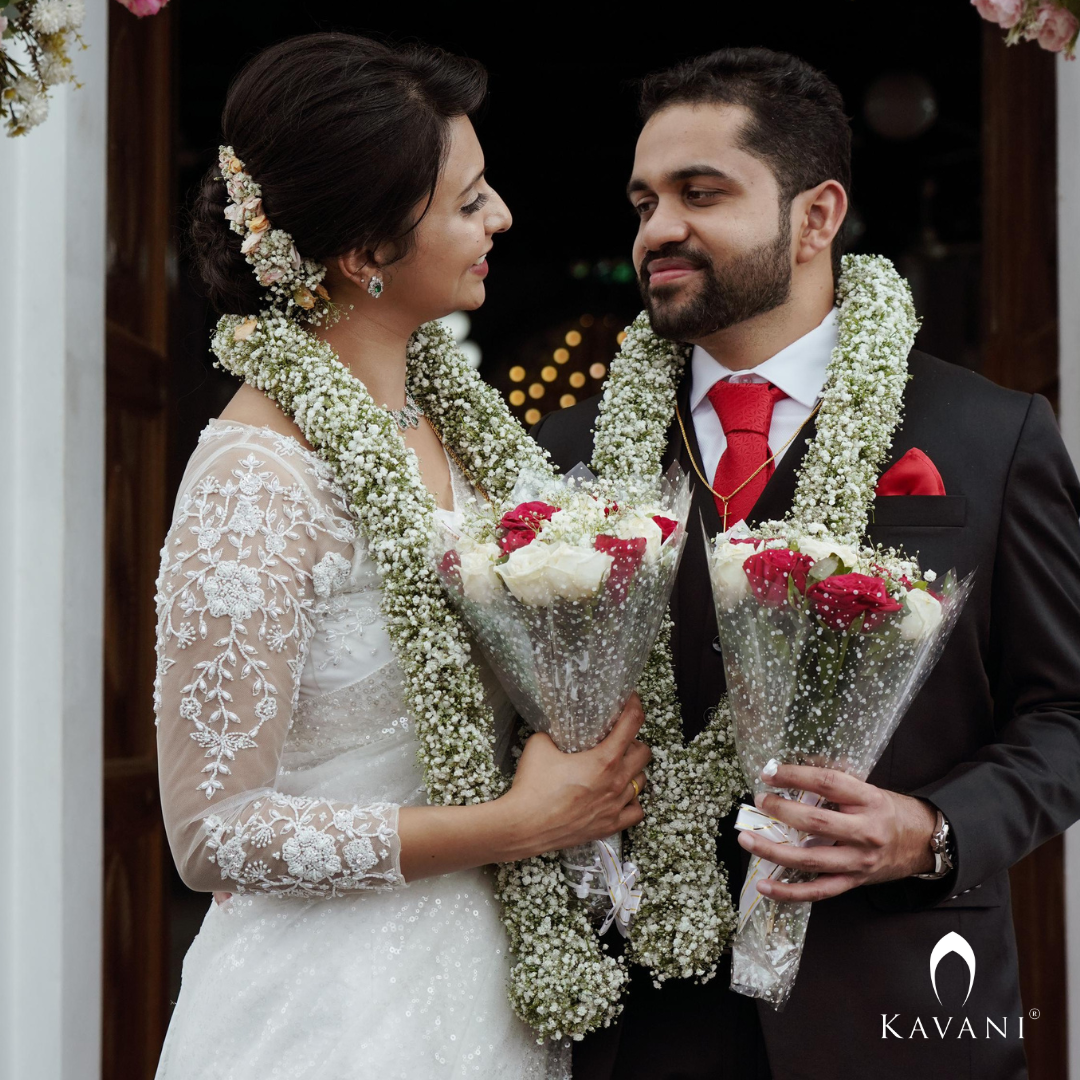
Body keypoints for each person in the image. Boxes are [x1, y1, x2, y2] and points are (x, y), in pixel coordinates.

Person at [533, 47, 1080, 1080]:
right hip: (639, 1018)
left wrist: (934, 830)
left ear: (818, 216)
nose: (659, 230)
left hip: (900, 1003)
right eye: (645, 200)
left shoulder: (987, 437)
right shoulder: (569, 457)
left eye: (702, 193)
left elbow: (1067, 713)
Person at [154, 33, 650, 1080]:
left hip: (493, 982)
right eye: (469, 201)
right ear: (364, 251)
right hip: (330, 1013)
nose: (501, 217)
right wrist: (511, 823)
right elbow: (213, 833)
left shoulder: (458, 427)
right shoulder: (259, 477)